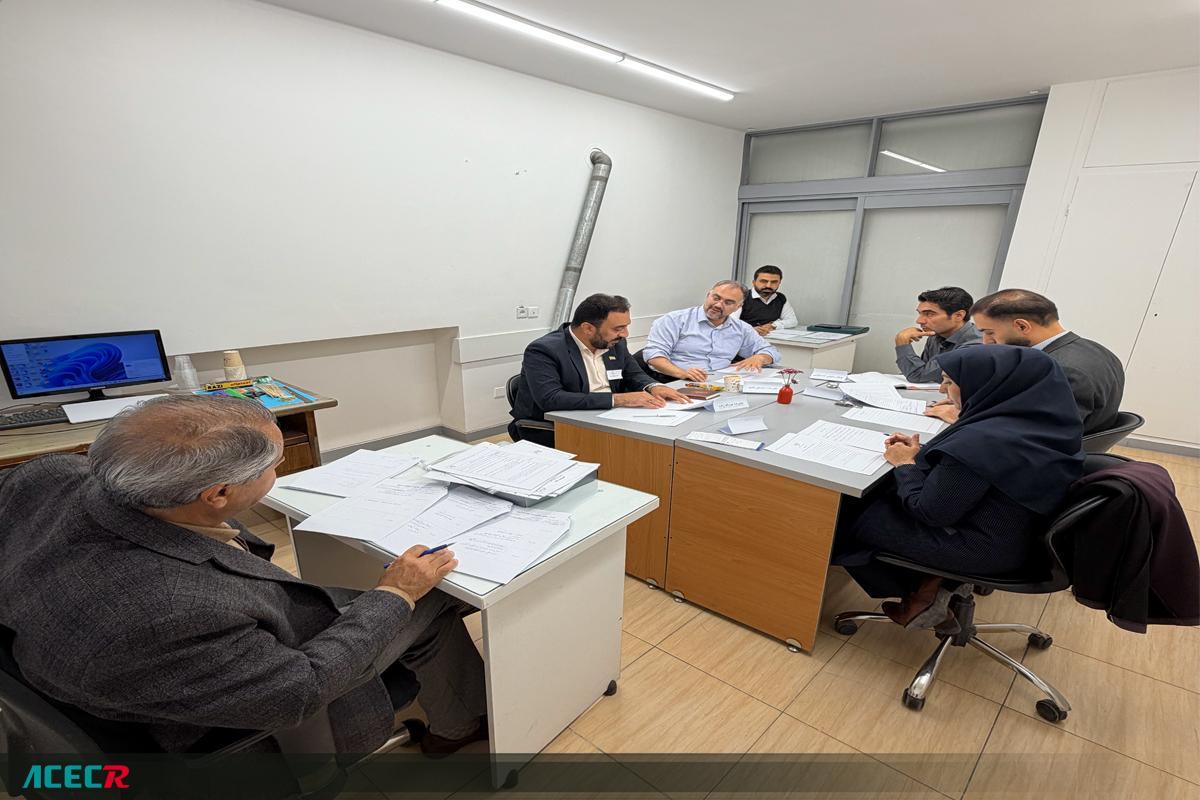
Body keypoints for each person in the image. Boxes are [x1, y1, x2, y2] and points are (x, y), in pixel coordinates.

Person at [0, 395, 487, 756]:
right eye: (275, 463)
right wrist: (396, 592)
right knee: (432, 598)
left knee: (415, 607)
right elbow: (301, 690)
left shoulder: (46, 475)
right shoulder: (170, 611)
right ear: (218, 494)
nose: (281, 466)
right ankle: (460, 726)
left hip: (133, 655)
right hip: (245, 701)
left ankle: (456, 720)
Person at [834, 346, 1083, 631]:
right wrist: (923, 457)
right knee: (877, 496)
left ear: (985, 385)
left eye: (949, 382)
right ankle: (927, 590)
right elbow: (974, 474)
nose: (942, 390)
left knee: (844, 512)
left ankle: (914, 592)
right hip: (1016, 536)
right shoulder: (1039, 421)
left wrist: (905, 464)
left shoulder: (985, 440)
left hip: (980, 549)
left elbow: (929, 512)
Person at [510, 293, 690, 446]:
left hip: (610, 418)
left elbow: (633, 373)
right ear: (588, 328)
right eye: (618, 328)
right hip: (560, 426)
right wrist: (619, 399)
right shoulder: (544, 350)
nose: (625, 334)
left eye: (626, 326)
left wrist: (654, 386)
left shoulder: (615, 343)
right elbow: (551, 399)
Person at [938, 288, 1123, 435]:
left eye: (989, 332)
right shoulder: (1096, 349)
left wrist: (964, 417)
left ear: (1021, 326)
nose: (986, 342)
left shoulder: (1059, 371)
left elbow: (1034, 435)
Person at [644, 280, 782, 381]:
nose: (718, 305)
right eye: (716, 298)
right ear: (708, 295)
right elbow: (653, 356)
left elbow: (772, 352)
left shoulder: (741, 328)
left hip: (718, 381)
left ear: (738, 307)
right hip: (674, 379)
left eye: (728, 302)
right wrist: (683, 373)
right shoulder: (674, 320)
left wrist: (760, 357)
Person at [894, 286, 982, 383]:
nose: (919, 321)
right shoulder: (936, 335)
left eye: (929, 314)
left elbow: (918, 375)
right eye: (920, 313)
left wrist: (902, 342)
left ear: (958, 316)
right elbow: (924, 374)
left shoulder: (976, 345)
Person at [731, 265, 798, 335]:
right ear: (754, 282)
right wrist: (750, 329)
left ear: (779, 283)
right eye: (763, 281)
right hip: (742, 337)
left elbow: (792, 321)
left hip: (770, 338)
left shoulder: (780, 298)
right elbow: (731, 322)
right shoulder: (741, 296)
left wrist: (773, 325)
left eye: (774, 282)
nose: (768, 286)